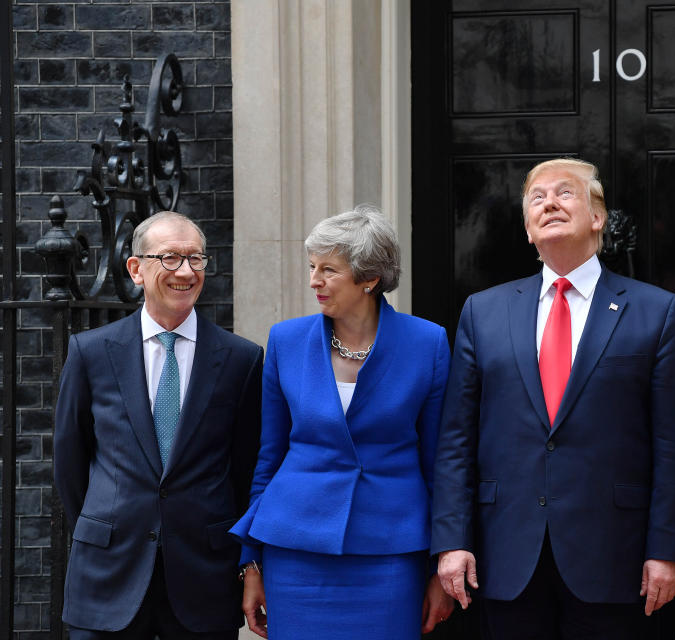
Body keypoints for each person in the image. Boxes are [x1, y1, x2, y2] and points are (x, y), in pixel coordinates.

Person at [431, 157, 675, 639]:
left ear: (597, 217)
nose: (550, 202)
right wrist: (451, 541)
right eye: (537, 197)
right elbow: (456, 439)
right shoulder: (483, 312)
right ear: (528, 230)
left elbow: (674, 444)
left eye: (565, 192)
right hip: (505, 556)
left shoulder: (656, 312)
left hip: (616, 558)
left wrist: (667, 548)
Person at [229, 205, 455, 639]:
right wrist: (251, 562)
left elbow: (438, 464)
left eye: (328, 269)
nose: (314, 280)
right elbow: (269, 456)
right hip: (294, 552)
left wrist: (438, 564)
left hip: (390, 552)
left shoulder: (427, 343)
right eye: (312, 266)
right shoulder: (285, 341)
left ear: (369, 277)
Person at [54, 211, 264, 639]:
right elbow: (69, 460)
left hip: (203, 578)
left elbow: (246, 470)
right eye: (170, 259)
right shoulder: (92, 352)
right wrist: (108, 527)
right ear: (136, 269)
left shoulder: (241, 360)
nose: (185, 271)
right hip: (108, 574)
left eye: (196, 259)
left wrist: (248, 563)